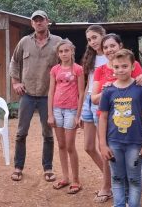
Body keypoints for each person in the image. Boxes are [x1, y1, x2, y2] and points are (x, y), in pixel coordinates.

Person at [91, 33, 142, 203]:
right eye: (106, 47)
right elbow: (94, 98)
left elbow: (140, 82)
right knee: (113, 162)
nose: (109, 50)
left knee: (131, 170)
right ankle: (111, 192)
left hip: (130, 124)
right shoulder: (101, 71)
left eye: (112, 46)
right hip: (105, 120)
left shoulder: (131, 63)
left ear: (120, 45)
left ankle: (131, 200)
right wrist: (108, 89)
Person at [9, 10, 62, 182]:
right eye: (35, 21)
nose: (38, 23)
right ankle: (18, 167)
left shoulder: (57, 42)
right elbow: (14, 62)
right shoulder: (24, 42)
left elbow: (66, 64)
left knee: (48, 133)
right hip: (28, 95)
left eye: (41, 20)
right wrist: (16, 82)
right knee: (21, 132)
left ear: (47, 21)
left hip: (48, 95)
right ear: (32, 24)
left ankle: (48, 168)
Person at [98, 49, 142, 207]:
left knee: (134, 180)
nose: (120, 70)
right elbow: (102, 118)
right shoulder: (108, 91)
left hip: (135, 144)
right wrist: (102, 144)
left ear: (132, 67)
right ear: (112, 68)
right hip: (114, 143)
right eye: (116, 67)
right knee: (117, 178)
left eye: (124, 66)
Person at [47, 39, 84, 194]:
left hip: (71, 110)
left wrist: (78, 115)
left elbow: (81, 93)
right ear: (58, 54)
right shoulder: (55, 70)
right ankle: (65, 177)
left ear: (72, 51)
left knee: (70, 146)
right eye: (61, 51)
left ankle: (76, 180)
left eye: (66, 51)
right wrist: (50, 114)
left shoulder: (78, 69)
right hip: (57, 110)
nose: (64, 54)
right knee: (61, 145)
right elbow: (51, 91)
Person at [79, 25, 110, 202]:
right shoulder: (90, 58)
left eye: (95, 37)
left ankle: (106, 186)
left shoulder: (110, 55)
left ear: (102, 36)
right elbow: (85, 84)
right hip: (88, 101)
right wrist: (81, 108)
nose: (92, 42)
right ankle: (112, 179)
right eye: (89, 39)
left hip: (103, 100)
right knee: (89, 147)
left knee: (102, 146)